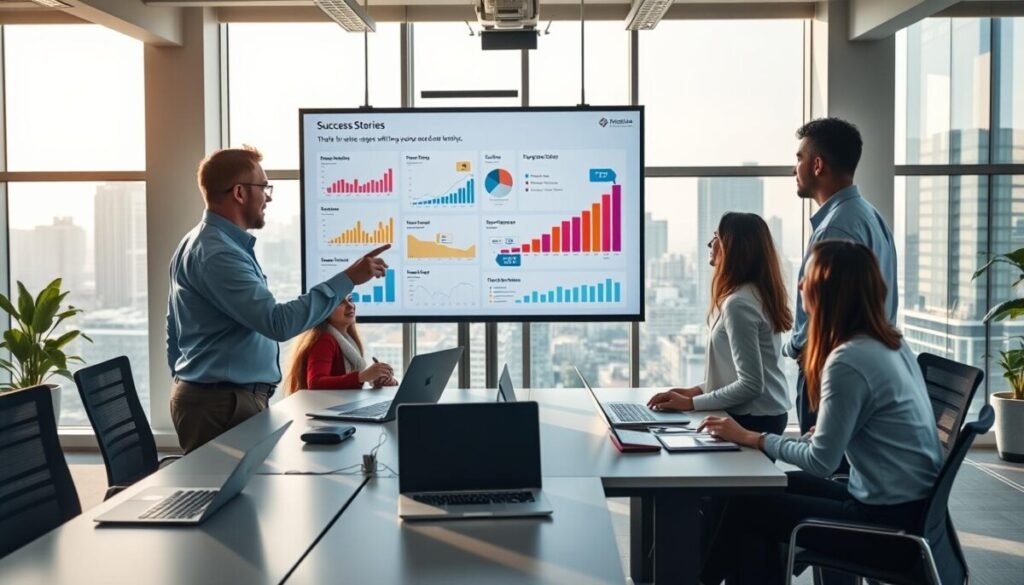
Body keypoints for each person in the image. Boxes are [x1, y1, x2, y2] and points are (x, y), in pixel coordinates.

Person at [697, 241, 943, 585]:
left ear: (828, 289)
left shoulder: (848, 360)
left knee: (746, 507)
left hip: (884, 528)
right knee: (768, 488)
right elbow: (877, 426)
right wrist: (827, 433)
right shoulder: (891, 343)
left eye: (807, 277)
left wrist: (750, 437)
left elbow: (821, 463)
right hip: (907, 510)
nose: (799, 285)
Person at [167, 145, 391, 453]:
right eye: (264, 187)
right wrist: (348, 278)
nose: (268, 197)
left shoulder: (204, 243)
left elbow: (174, 331)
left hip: (219, 399)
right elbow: (278, 323)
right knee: (232, 499)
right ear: (239, 193)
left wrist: (188, 382)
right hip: (220, 405)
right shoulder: (219, 254)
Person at [786, 117, 898, 437]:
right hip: (861, 366)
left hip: (829, 372)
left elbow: (823, 309)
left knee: (822, 473)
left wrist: (796, 348)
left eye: (799, 159)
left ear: (818, 165)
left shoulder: (838, 227)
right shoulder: (869, 216)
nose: (794, 169)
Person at [647, 212, 792, 435]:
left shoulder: (739, 304)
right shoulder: (752, 294)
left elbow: (751, 384)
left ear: (732, 248)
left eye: (716, 237)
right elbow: (736, 375)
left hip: (754, 419)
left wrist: (691, 404)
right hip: (762, 415)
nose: (710, 243)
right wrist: (693, 392)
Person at [284, 295, 398, 393]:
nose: (350, 305)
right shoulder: (324, 340)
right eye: (340, 302)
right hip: (324, 411)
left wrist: (377, 380)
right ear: (325, 310)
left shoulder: (348, 340)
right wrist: (362, 376)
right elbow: (315, 383)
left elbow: (346, 382)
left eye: (350, 299)